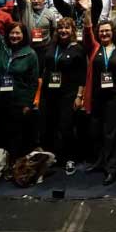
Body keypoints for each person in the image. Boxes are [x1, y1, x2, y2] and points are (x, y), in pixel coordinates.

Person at [0, 0, 39, 171]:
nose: (14, 36)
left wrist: (27, 102)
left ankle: (12, 165)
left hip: (14, 101)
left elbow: (32, 81)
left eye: (18, 34)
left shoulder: (30, 54)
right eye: (12, 33)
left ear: (24, 35)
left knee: (13, 135)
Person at [82, 8, 116, 186]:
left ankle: (112, 169)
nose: (104, 33)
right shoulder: (95, 48)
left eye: (107, 31)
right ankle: (100, 161)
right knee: (96, 131)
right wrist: (88, 12)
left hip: (113, 98)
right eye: (101, 31)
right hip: (96, 97)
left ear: (113, 33)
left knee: (111, 134)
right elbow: (87, 33)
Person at [40, 18, 86, 176]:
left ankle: (70, 158)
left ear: (73, 30)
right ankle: (55, 157)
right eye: (60, 28)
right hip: (49, 93)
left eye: (67, 28)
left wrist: (79, 96)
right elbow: (45, 69)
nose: (63, 31)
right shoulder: (51, 46)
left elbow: (82, 75)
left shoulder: (78, 49)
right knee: (50, 125)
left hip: (69, 94)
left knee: (66, 126)